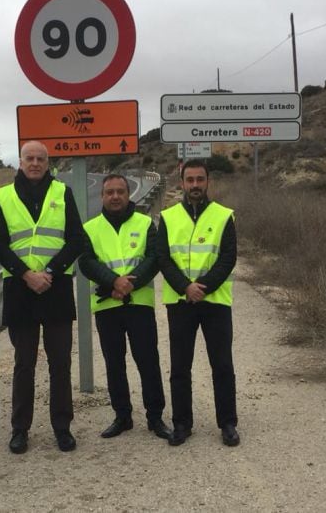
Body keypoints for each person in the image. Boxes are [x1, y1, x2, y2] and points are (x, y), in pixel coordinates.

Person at [0, 140, 84, 454]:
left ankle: (62, 427)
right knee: (23, 364)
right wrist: (27, 275)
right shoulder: (4, 195)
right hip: (19, 289)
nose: (34, 163)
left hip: (55, 287)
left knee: (60, 363)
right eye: (29, 158)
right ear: (20, 161)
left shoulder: (62, 192)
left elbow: (76, 239)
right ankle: (20, 430)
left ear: (48, 162)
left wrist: (51, 272)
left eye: (40, 158)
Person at [79, 174, 172, 440]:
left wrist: (130, 284)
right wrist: (114, 282)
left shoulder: (145, 223)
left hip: (139, 303)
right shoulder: (91, 228)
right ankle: (122, 416)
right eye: (110, 192)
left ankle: (155, 417)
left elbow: (154, 258)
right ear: (102, 196)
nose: (115, 196)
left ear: (128, 194)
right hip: (107, 305)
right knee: (114, 363)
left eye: (120, 191)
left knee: (148, 361)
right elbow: (86, 262)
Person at [155, 159, 240, 447]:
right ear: (181, 182)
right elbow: (163, 258)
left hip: (214, 301)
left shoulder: (224, 216)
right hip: (180, 302)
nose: (194, 185)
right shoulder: (167, 217)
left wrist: (201, 287)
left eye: (199, 180)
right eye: (189, 180)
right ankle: (182, 423)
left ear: (207, 182)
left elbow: (228, 257)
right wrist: (185, 287)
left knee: (222, 365)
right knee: (180, 366)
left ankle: (227, 423)